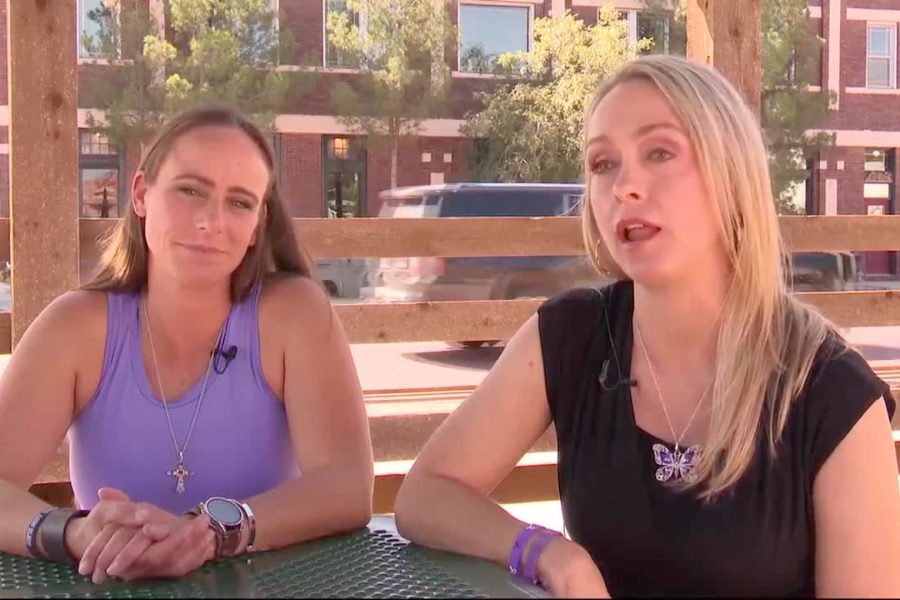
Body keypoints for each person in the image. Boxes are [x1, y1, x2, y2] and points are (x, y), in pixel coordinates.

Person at [394, 55, 900, 597]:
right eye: (602, 164)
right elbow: (425, 495)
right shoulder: (570, 336)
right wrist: (547, 552)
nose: (624, 187)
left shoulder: (831, 391)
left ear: (731, 176)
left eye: (659, 152)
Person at [0, 105, 374, 584]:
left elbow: (346, 488)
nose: (210, 222)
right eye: (190, 190)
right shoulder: (75, 327)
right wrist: (75, 533)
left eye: (239, 202)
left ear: (258, 223)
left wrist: (210, 533)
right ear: (140, 194)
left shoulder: (293, 315)